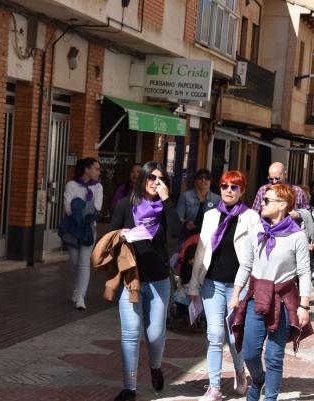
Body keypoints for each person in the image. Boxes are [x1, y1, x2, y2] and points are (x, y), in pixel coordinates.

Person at [230, 184, 313, 401]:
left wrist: (304, 305)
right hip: (255, 297)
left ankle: (270, 398)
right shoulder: (257, 230)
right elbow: (246, 265)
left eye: (267, 200)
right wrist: (236, 293)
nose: (262, 204)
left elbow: (304, 272)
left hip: (283, 301)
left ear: (283, 205)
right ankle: (258, 380)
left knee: (274, 356)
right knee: (249, 352)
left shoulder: (297, 236)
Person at [109, 161, 182, 401]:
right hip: (131, 280)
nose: (155, 182)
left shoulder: (164, 208)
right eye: (151, 177)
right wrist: (121, 236)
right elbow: (110, 237)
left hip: (159, 280)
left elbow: (175, 233)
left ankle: (155, 366)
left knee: (154, 334)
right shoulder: (124, 205)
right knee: (130, 333)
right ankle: (129, 387)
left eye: (160, 179)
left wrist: (167, 200)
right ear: (142, 179)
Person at [188, 171, 261, 400]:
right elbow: (201, 251)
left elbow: (255, 256)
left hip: (237, 287)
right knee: (215, 335)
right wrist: (193, 286)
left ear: (242, 190)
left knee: (232, 336)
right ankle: (215, 387)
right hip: (211, 284)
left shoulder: (251, 217)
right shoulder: (210, 215)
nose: (228, 190)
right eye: (224, 186)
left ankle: (240, 372)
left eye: (234, 187)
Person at [63, 158, 103, 310]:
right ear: (87, 169)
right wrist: (84, 207)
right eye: (96, 169)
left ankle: (81, 296)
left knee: (84, 261)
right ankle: (77, 288)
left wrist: (78, 205)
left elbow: (98, 207)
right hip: (72, 228)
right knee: (74, 262)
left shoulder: (98, 187)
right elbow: (68, 208)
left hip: (88, 228)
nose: (98, 172)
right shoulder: (71, 185)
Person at [176, 169, 221, 241]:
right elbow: (178, 217)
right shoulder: (185, 196)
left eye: (207, 178)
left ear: (210, 182)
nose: (203, 180)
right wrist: (185, 223)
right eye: (200, 178)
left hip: (208, 237)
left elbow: (220, 219)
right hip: (187, 235)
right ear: (195, 181)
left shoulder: (217, 199)